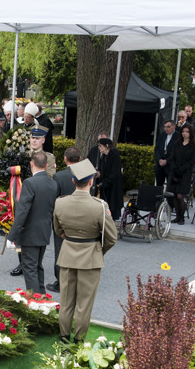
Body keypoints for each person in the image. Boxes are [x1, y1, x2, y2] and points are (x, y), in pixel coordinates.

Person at [53, 159, 117, 344]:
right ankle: (78, 341)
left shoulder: (60, 203)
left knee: (66, 302)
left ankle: (64, 337)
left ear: (73, 181)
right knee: (84, 304)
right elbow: (111, 237)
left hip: (67, 255)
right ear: (91, 182)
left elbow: (58, 231)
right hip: (90, 257)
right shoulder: (99, 206)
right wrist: (98, 250)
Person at [7, 152, 59, 295]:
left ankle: (35, 301)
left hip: (30, 233)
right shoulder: (53, 183)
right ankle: (42, 298)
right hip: (44, 232)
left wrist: (11, 236)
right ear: (47, 165)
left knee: (29, 268)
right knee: (37, 267)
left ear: (31, 164)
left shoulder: (30, 183)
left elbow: (22, 212)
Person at [50, 146, 81, 294]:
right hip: (82, 218)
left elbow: (54, 199)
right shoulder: (87, 174)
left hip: (63, 219)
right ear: (80, 159)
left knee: (61, 250)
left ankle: (60, 282)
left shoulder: (59, 176)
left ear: (65, 159)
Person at [167, 124, 195, 224]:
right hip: (174, 172)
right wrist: (174, 168)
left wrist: (181, 169)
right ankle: (177, 216)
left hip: (185, 173)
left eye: (187, 132)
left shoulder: (194, 146)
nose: (185, 133)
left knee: (181, 195)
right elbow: (171, 157)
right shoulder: (177, 144)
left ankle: (182, 217)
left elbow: (192, 161)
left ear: (191, 133)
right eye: (183, 131)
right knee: (175, 195)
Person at [95, 138, 123, 220]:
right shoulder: (103, 156)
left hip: (112, 186)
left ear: (107, 146)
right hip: (105, 185)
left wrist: (105, 182)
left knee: (112, 205)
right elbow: (101, 169)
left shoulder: (114, 156)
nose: (99, 148)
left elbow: (115, 173)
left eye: (100, 146)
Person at [155, 120, 179, 187]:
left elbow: (176, 152)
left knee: (171, 186)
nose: (166, 129)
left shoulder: (178, 136)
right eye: (165, 127)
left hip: (170, 165)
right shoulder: (162, 134)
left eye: (168, 127)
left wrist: (167, 161)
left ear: (174, 127)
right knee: (158, 185)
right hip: (160, 165)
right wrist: (159, 159)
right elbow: (157, 148)